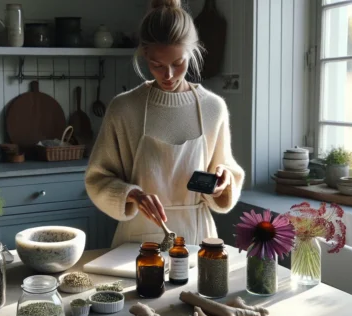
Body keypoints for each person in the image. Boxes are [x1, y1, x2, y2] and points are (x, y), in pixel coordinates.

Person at [84, 0, 245, 248]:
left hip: (197, 235)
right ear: (144, 54)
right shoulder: (125, 109)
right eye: (157, 65)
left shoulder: (213, 108)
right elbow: (97, 178)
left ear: (192, 52)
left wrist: (222, 181)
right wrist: (132, 195)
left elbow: (226, 170)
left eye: (177, 63)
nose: (168, 75)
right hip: (136, 239)